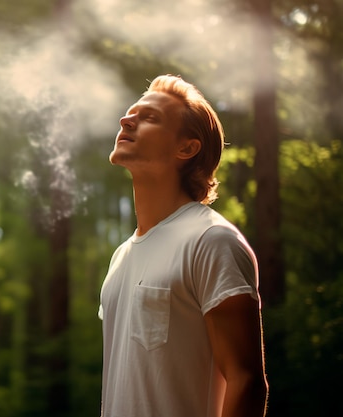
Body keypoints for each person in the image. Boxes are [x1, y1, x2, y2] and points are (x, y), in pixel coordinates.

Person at [98, 74, 268, 417]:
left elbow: (246, 380)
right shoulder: (121, 257)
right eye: (131, 113)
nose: (126, 119)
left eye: (149, 117)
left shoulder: (211, 241)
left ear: (187, 148)